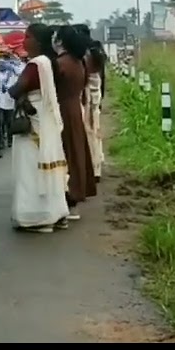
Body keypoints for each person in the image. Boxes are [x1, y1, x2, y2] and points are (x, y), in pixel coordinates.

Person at [6, 24, 70, 232]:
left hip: (33, 125)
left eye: (27, 37)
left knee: (30, 170)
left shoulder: (36, 64)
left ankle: (37, 217)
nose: (24, 40)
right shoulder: (51, 63)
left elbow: (15, 90)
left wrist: (19, 91)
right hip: (46, 120)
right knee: (49, 168)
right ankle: (56, 213)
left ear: (37, 41)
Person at [53, 25, 97, 219]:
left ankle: (68, 196)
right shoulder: (79, 62)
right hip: (75, 108)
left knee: (65, 154)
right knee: (76, 151)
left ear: (60, 41)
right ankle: (76, 195)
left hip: (62, 109)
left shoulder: (60, 63)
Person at [73, 25, 108, 181]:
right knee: (95, 130)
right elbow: (102, 75)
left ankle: (91, 167)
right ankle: (97, 166)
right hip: (96, 91)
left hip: (86, 94)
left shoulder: (83, 52)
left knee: (87, 131)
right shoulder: (97, 49)